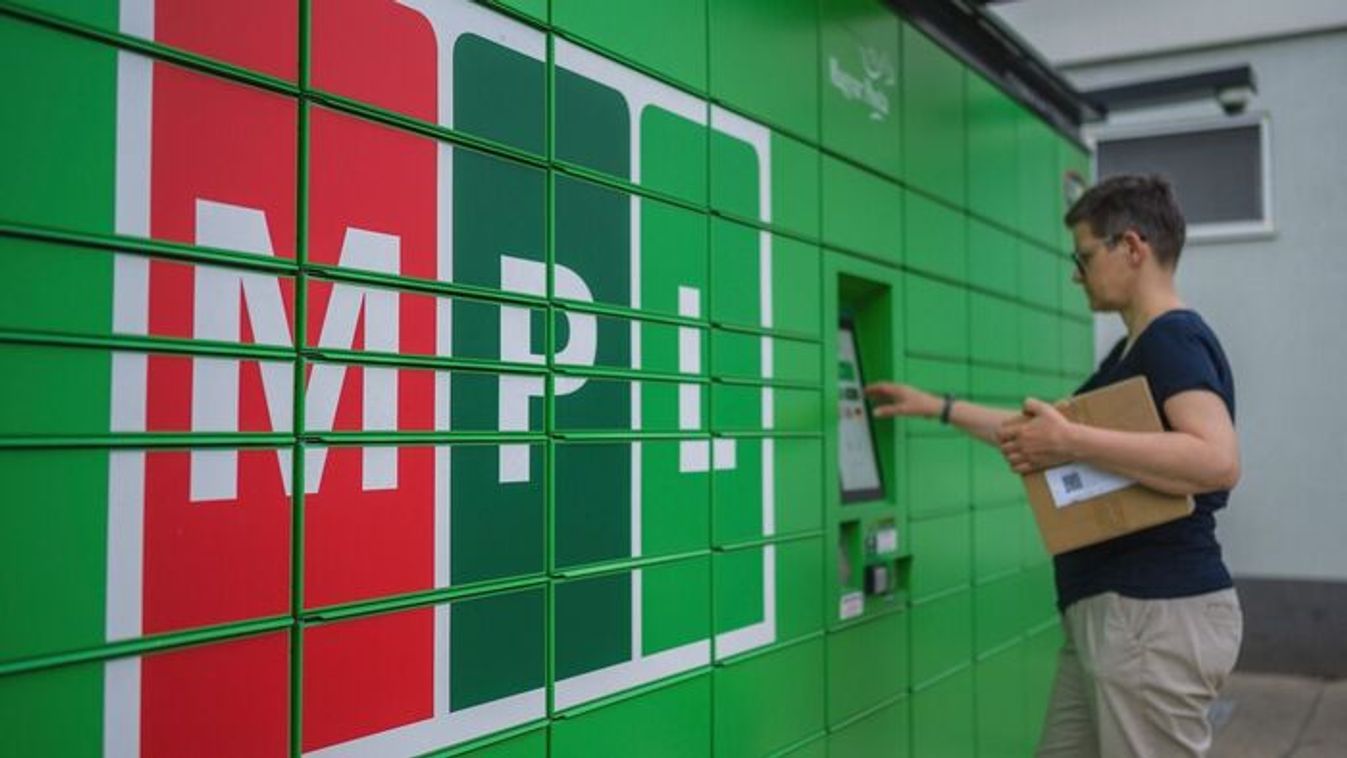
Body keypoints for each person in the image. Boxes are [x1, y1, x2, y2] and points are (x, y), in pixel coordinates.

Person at [867, 174, 1242, 757]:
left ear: (1132, 247)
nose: (1076, 274)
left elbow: (1216, 459)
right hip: (1115, 613)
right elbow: (1044, 436)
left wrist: (1075, 442)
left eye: (1083, 256)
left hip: (1152, 612)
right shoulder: (1130, 351)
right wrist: (936, 407)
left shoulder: (1172, 339)